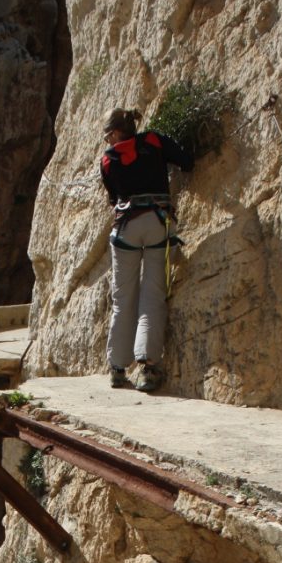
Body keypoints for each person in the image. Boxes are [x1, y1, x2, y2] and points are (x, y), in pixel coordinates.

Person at [100, 107, 194, 390]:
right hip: (157, 223)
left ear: (116, 132)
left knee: (123, 299)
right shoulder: (154, 141)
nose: (107, 140)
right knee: (152, 295)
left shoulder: (108, 160)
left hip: (125, 229)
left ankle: (118, 368)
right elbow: (186, 161)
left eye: (108, 135)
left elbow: (114, 197)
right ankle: (148, 369)